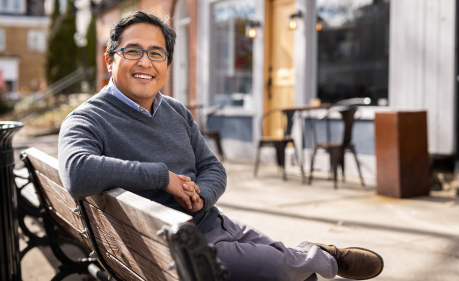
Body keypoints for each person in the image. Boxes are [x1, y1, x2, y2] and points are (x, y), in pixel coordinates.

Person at [58, 11, 383, 281]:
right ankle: (327, 256)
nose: (146, 62)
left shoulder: (175, 110)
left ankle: (311, 256)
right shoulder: (87, 119)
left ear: (167, 64)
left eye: (156, 53)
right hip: (175, 248)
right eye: (133, 51)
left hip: (213, 220)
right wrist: (163, 177)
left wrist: (203, 197)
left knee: (297, 273)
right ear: (109, 59)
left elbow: (213, 168)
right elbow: (76, 172)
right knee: (286, 269)